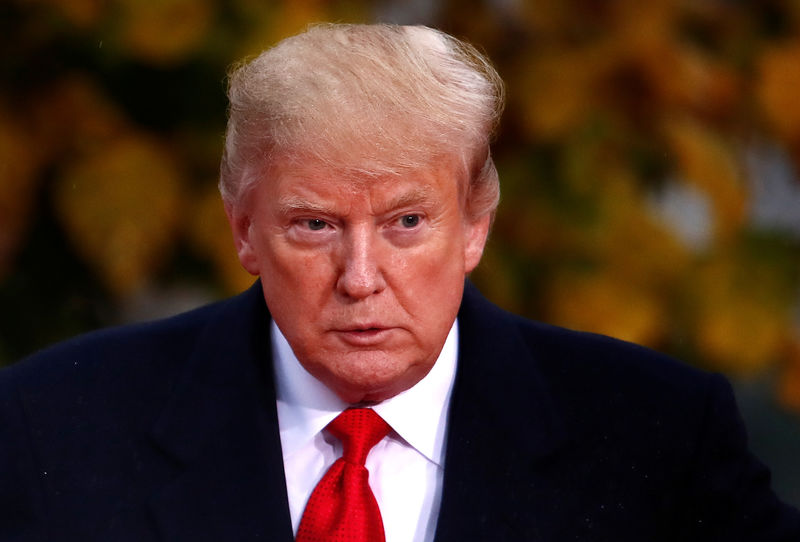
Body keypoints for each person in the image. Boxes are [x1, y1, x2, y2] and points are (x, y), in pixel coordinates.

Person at [1, 23, 798, 542]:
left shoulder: (657, 435)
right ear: (243, 228)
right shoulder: (52, 428)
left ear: (476, 225)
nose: (360, 279)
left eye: (406, 224)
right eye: (314, 224)